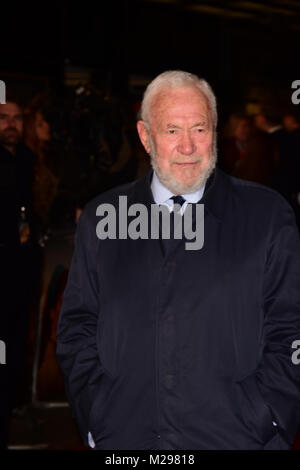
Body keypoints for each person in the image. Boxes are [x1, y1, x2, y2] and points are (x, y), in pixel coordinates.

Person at [56, 70, 300, 450]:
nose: (188, 146)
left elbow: (291, 327)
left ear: (215, 131)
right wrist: (97, 413)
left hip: (237, 440)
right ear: (145, 137)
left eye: (200, 129)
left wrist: (265, 413)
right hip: (127, 442)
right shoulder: (103, 219)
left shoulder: (266, 216)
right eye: (172, 130)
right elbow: (77, 327)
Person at [0, 95, 36, 448]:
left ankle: (14, 403)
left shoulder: (28, 159)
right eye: (3, 117)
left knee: (16, 338)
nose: (11, 123)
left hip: (22, 268)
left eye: (16, 117)